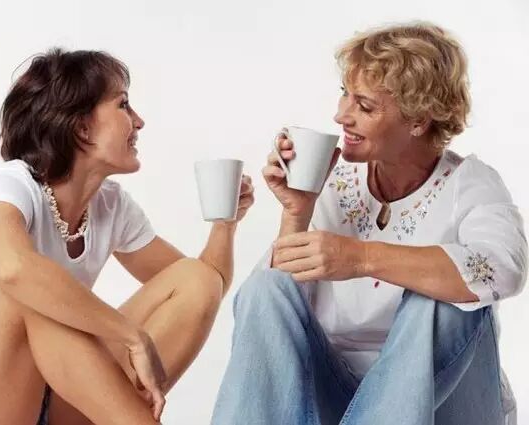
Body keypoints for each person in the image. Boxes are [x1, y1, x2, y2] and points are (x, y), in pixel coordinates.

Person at [0, 48, 254, 425]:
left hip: (52, 394)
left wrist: (226, 223)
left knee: (194, 279)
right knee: (25, 293)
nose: (139, 121)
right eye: (123, 105)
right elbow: (12, 269)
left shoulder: (111, 206)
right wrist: (130, 336)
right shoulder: (10, 186)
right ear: (81, 127)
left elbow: (203, 288)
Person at [212, 22, 526, 425]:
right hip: (338, 396)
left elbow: (503, 270)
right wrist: (296, 213)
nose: (340, 115)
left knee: (443, 299)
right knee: (265, 287)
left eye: (364, 106)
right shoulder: (335, 181)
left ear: (419, 119)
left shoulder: (471, 183)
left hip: (443, 404)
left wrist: (361, 257)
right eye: (345, 93)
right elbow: (270, 318)